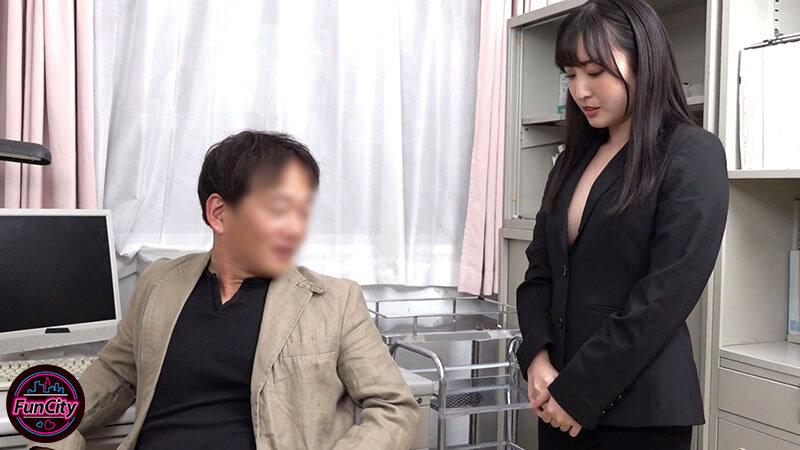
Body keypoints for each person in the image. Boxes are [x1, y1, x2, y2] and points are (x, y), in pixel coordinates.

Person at [36, 131, 419, 450]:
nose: (295, 228)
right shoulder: (159, 283)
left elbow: (394, 408)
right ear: (219, 213)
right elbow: (114, 373)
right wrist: (52, 433)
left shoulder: (335, 301)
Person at [514, 0, 729, 448]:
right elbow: (540, 273)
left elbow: (663, 298)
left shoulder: (692, 153)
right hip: (556, 400)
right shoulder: (572, 160)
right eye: (570, 75)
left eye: (595, 72)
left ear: (643, 61)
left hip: (638, 414)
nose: (580, 91)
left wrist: (578, 392)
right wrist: (537, 359)